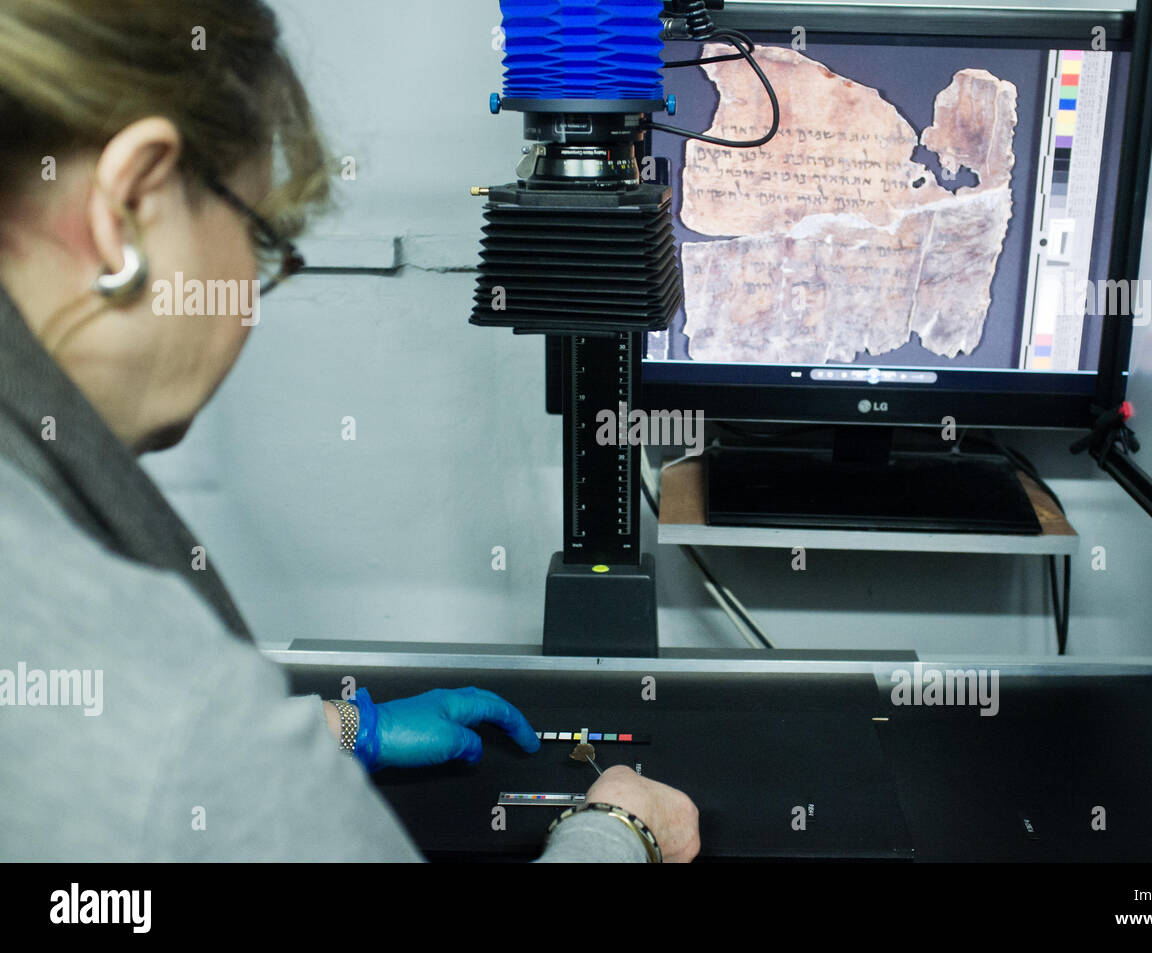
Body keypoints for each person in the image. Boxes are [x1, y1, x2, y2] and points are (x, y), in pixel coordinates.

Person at [0, 0, 699, 863]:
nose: (248, 305)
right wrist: (618, 832)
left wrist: (333, 731)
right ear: (128, 207)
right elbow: (151, 740)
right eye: (261, 241)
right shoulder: (175, 715)